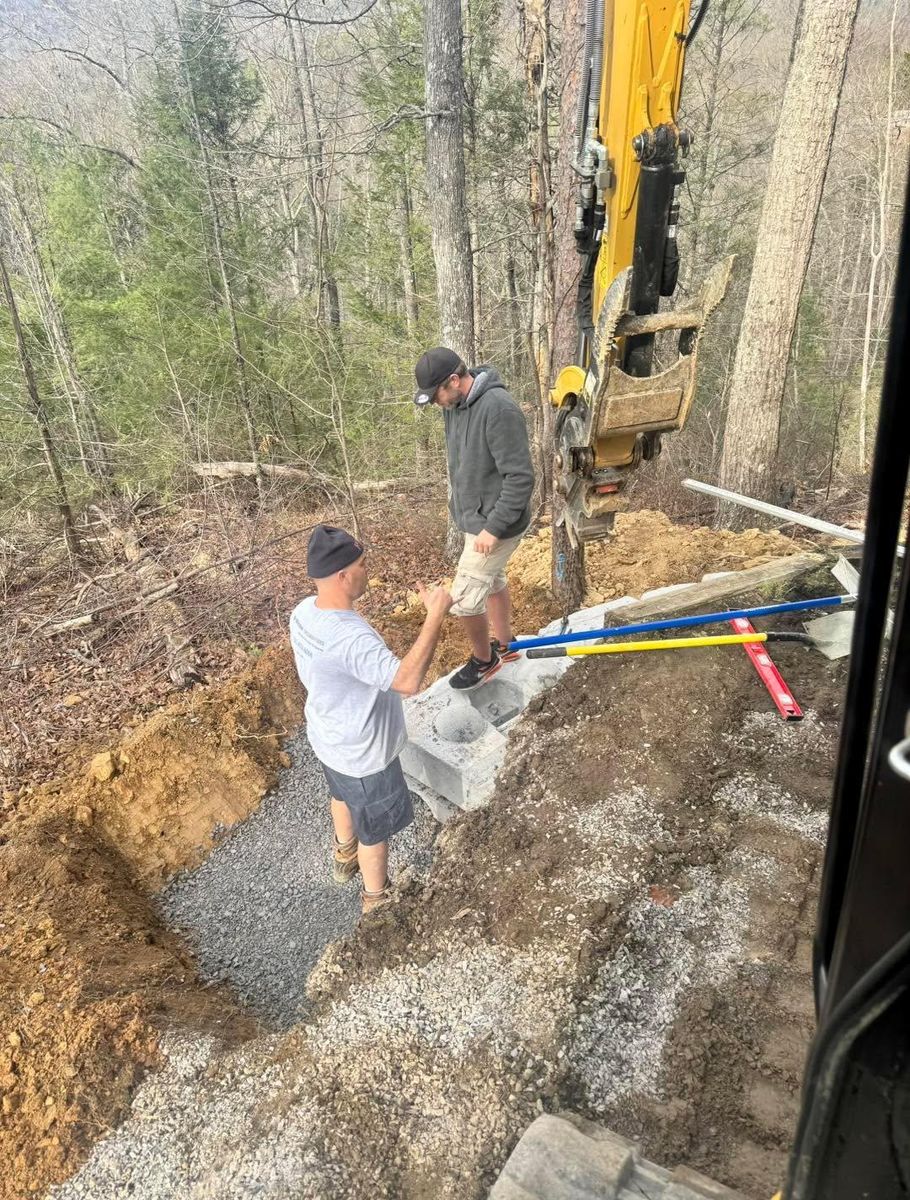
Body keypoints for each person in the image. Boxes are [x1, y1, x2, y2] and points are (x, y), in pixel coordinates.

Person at [289, 525, 452, 914]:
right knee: (375, 832)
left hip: (328, 736)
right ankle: (375, 900)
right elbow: (407, 681)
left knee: (341, 795)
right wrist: (435, 615)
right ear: (343, 576)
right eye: (362, 565)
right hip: (364, 754)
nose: (368, 571)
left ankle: (343, 854)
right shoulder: (351, 639)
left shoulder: (304, 612)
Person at [414, 347, 534, 690]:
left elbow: (520, 478)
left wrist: (494, 528)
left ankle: (485, 661)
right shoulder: (454, 405)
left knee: (465, 601)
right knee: (492, 581)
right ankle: (506, 645)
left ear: (454, 380)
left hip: (498, 522)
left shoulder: (499, 409)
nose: (436, 402)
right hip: (475, 518)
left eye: (436, 394)